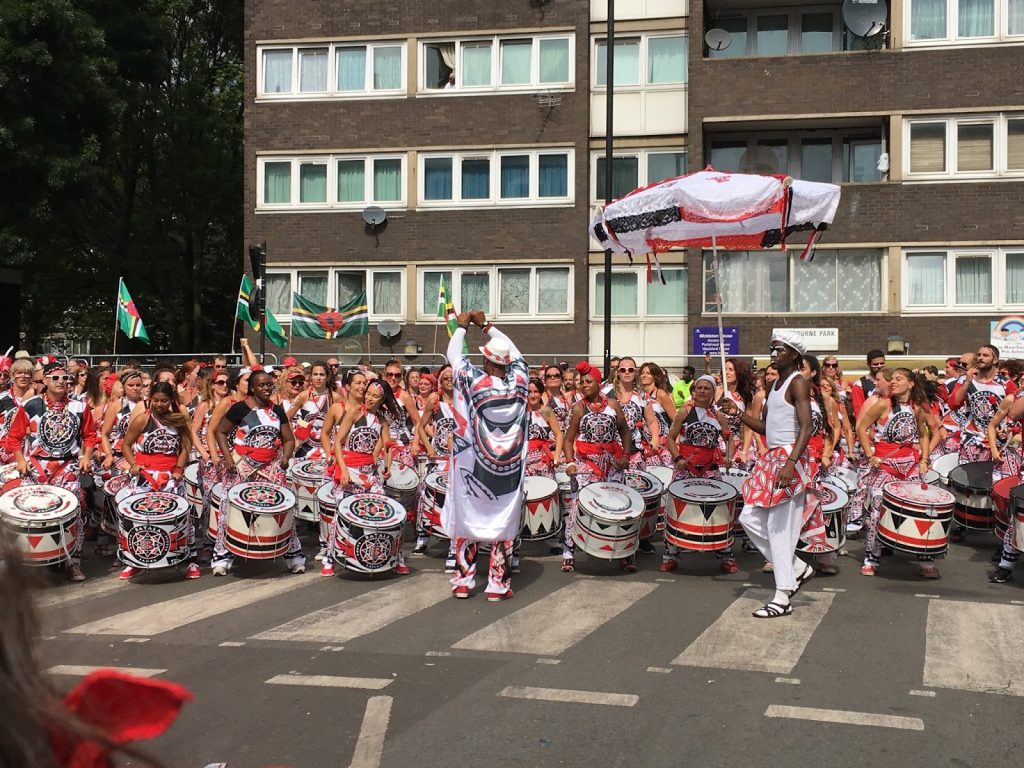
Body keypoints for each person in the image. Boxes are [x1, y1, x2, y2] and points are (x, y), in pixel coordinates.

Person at [722, 332, 814, 618]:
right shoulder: (775, 386)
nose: (774, 353)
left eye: (781, 349)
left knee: (779, 528)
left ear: (794, 355)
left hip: (788, 459)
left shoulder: (798, 382)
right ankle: (796, 568)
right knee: (749, 517)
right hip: (771, 458)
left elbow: (807, 426)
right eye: (773, 348)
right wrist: (737, 413)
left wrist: (790, 462)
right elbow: (766, 429)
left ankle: (783, 595)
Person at [442, 310, 529, 601]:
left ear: (485, 361)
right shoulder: (521, 381)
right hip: (510, 468)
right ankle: (497, 585)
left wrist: (464, 327)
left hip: (475, 464)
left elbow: (453, 355)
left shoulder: (474, 381)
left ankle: (463, 582)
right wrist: (487, 326)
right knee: (503, 523)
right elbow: (516, 351)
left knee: (468, 516)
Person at [4, 362, 98, 581]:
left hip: (67, 466)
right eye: (55, 378)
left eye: (65, 378)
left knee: (75, 513)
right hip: (37, 466)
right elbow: (14, 437)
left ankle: (73, 562)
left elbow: (90, 435)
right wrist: (20, 459)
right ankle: (28, 564)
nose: (60, 382)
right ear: (45, 380)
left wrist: (86, 455)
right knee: (30, 515)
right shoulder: (31, 405)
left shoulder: (79, 406)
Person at [210, 369, 305, 576]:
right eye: (261, 385)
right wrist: (227, 458)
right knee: (229, 506)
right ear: (252, 388)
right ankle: (222, 556)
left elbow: (288, 439)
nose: (266, 389)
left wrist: (286, 458)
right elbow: (220, 431)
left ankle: (294, 556)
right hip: (242, 463)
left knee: (284, 507)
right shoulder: (240, 408)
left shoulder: (277, 410)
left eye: (269, 385)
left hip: (270, 464)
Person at [856, 368, 940, 578]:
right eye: (891, 379)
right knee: (877, 510)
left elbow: (924, 434)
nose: (893, 382)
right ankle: (871, 557)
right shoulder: (883, 404)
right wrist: (870, 454)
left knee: (920, 509)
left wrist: (924, 459)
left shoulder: (919, 406)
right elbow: (862, 428)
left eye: (898, 379)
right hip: (885, 464)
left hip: (910, 464)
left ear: (911, 384)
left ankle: (924, 558)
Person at [322, 378, 410, 577]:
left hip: (369, 473)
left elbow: (386, 444)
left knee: (389, 512)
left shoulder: (382, 420)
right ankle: (329, 557)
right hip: (348, 470)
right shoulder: (354, 412)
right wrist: (343, 471)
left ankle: (397, 557)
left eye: (375, 396)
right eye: (368, 394)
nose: (369, 398)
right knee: (341, 514)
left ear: (382, 399)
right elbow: (337, 443)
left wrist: (387, 466)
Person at [118, 382, 198, 580]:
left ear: (171, 401)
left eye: (164, 401)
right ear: (149, 399)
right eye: (155, 400)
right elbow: (126, 445)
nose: (159, 404)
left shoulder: (179, 419)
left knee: (181, 518)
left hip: (171, 477)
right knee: (137, 519)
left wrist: (179, 468)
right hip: (144, 477)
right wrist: (134, 464)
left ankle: (189, 560)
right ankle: (133, 561)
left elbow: (185, 446)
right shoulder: (142, 419)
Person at [561, 361, 634, 573]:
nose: (584, 385)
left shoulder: (612, 405)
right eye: (582, 382)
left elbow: (625, 432)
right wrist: (571, 462)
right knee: (577, 507)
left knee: (620, 506)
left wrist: (626, 456)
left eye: (589, 381)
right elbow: (568, 440)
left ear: (598, 383)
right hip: (586, 464)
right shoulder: (577, 408)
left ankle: (624, 552)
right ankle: (569, 551)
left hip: (612, 463)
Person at [661, 374, 735, 573]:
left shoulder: (719, 416)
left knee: (720, 508)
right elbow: (670, 438)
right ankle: (671, 554)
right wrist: (678, 459)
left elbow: (729, 439)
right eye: (699, 388)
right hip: (686, 466)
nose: (702, 391)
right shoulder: (685, 412)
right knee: (676, 507)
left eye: (706, 388)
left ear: (713, 393)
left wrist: (729, 456)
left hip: (710, 467)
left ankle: (725, 554)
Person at [851, 349, 887, 420]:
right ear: (868, 364)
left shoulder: (891, 380)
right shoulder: (859, 385)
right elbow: (859, 411)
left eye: (882, 363)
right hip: (870, 424)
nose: (879, 366)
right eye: (875, 364)